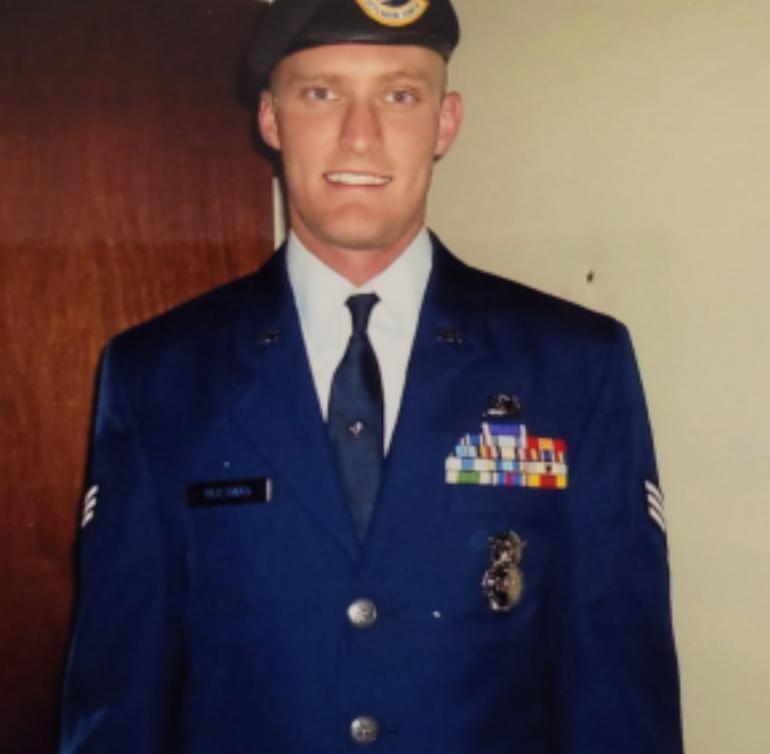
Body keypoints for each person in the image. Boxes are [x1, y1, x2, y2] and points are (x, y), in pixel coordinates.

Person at [60, 1, 683, 752]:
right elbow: (118, 699)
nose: (361, 135)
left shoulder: (575, 366)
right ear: (271, 118)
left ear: (446, 122)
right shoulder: (159, 376)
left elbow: (622, 692)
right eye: (322, 93)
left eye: (400, 95)